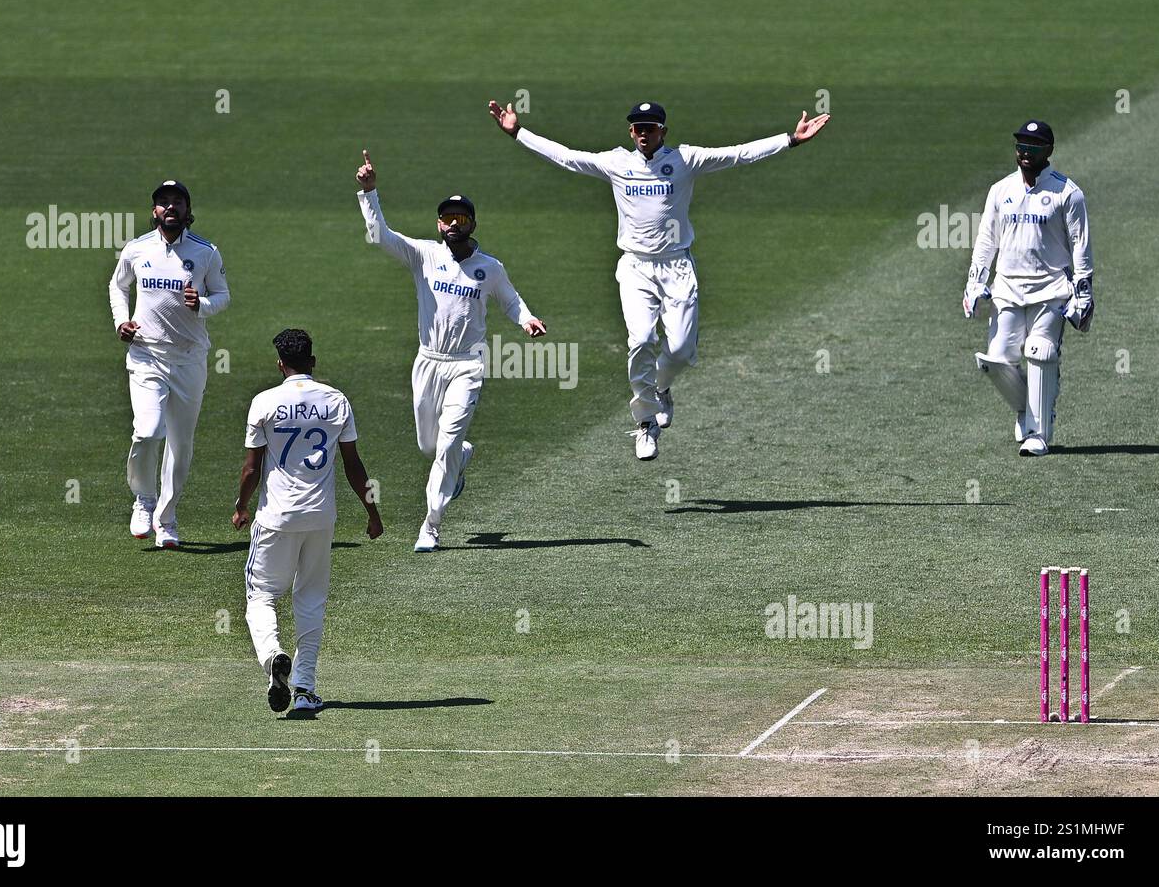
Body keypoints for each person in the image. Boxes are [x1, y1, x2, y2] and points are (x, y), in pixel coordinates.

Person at [488, 98, 830, 460]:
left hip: (676, 265)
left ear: (662, 131)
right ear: (630, 131)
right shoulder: (617, 163)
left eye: (650, 128)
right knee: (641, 340)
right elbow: (568, 157)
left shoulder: (685, 159)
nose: (643, 134)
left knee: (681, 349)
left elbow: (738, 153)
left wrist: (790, 140)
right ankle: (646, 421)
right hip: (635, 267)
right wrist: (518, 133)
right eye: (637, 128)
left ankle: (661, 388)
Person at [355, 150, 546, 552]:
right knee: (430, 446)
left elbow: (510, 300)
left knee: (444, 445)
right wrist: (369, 192)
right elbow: (380, 237)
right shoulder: (424, 254)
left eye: (461, 218)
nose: (454, 223)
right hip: (427, 362)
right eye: (447, 217)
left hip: (467, 366)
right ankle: (462, 457)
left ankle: (431, 525)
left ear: (473, 223)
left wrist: (526, 319)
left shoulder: (489, 268)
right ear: (438, 223)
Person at [234, 329, 383, 714]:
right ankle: (304, 689)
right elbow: (353, 464)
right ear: (313, 362)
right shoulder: (336, 401)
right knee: (311, 598)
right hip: (321, 517)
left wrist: (241, 505)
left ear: (280, 364)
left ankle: (273, 658)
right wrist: (372, 512)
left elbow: (252, 468)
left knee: (260, 595)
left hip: (276, 517)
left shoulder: (264, 402)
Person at [109, 180, 230, 547]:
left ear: (187, 209)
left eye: (177, 201)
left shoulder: (205, 252)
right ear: (155, 211)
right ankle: (144, 499)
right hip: (146, 355)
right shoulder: (137, 249)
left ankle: (167, 520)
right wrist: (121, 321)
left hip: (190, 359)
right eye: (163, 202)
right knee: (147, 431)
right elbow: (118, 286)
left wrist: (202, 305)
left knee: (181, 444)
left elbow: (223, 295)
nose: (170, 207)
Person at [964, 120, 1092, 456]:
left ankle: (1039, 433)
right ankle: (1031, 406)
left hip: (1051, 290)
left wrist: (1084, 293)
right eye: (1020, 144)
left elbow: (1080, 245)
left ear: (1048, 150)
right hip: (1007, 288)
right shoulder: (1000, 190)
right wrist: (975, 282)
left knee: (1040, 351)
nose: (1025, 150)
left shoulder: (1067, 193)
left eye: (1033, 145)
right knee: (995, 361)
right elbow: (986, 240)